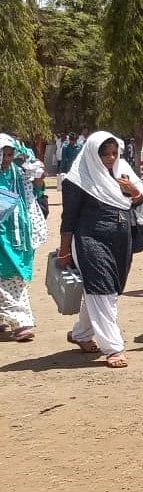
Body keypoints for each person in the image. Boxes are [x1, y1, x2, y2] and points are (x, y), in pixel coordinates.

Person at [60, 132, 143, 369]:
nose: (110, 158)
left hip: (120, 239)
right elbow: (69, 219)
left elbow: (138, 203)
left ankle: (81, 333)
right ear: (94, 154)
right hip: (90, 239)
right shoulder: (76, 180)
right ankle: (113, 348)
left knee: (108, 290)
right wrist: (65, 251)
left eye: (114, 153)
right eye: (105, 154)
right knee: (102, 291)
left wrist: (133, 191)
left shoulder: (122, 172)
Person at [0, 135, 48, 342]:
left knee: (13, 276)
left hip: (19, 231)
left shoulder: (18, 173)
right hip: (3, 232)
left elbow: (36, 190)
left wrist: (37, 175)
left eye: (10, 154)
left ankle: (16, 319)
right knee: (8, 277)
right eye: (4, 154)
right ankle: (21, 321)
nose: (7, 159)